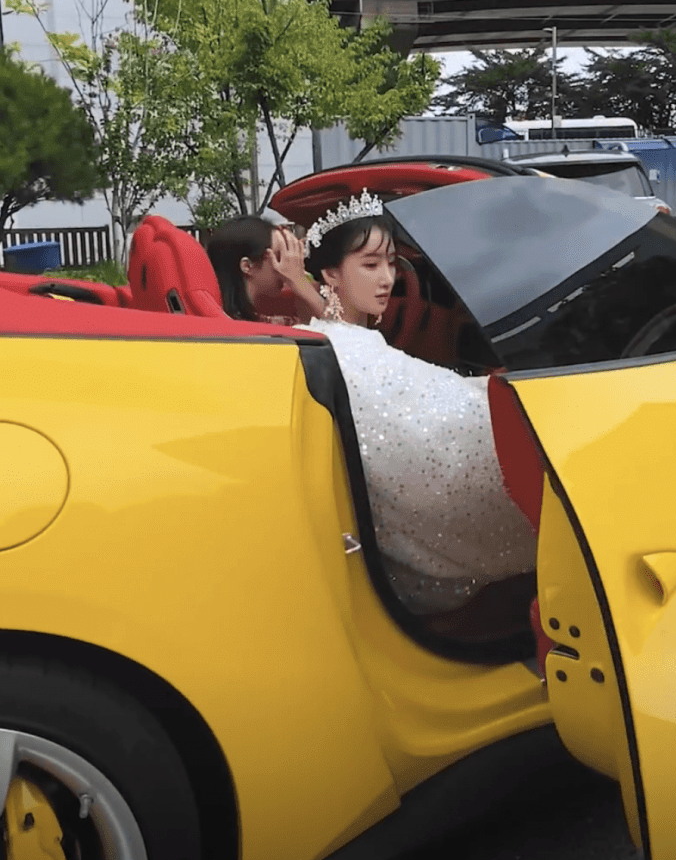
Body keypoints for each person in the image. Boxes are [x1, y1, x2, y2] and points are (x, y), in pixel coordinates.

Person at [301, 191, 538, 629]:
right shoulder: (347, 353)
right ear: (331, 274)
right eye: (370, 265)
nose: (387, 278)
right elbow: (424, 424)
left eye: (392, 263)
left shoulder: (337, 340)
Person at [205, 216, 325, 323]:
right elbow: (334, 329)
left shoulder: (249, 319)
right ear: (247, 266)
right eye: (279, 256)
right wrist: (300, 282)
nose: (288, 264)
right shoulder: (237, 328)